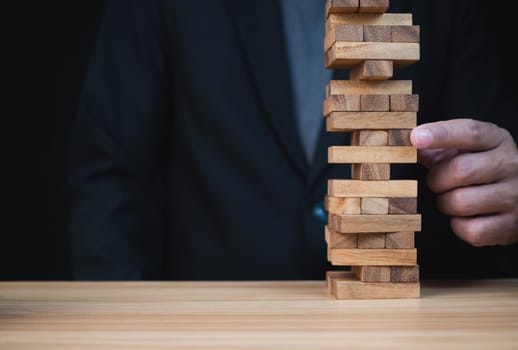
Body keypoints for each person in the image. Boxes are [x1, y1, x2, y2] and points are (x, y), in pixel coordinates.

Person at [66, 0, 518, 280]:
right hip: (218, 321)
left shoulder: (448, 7)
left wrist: (504, 189)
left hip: (397, 324)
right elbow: (107, 175)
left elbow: (496, 158)